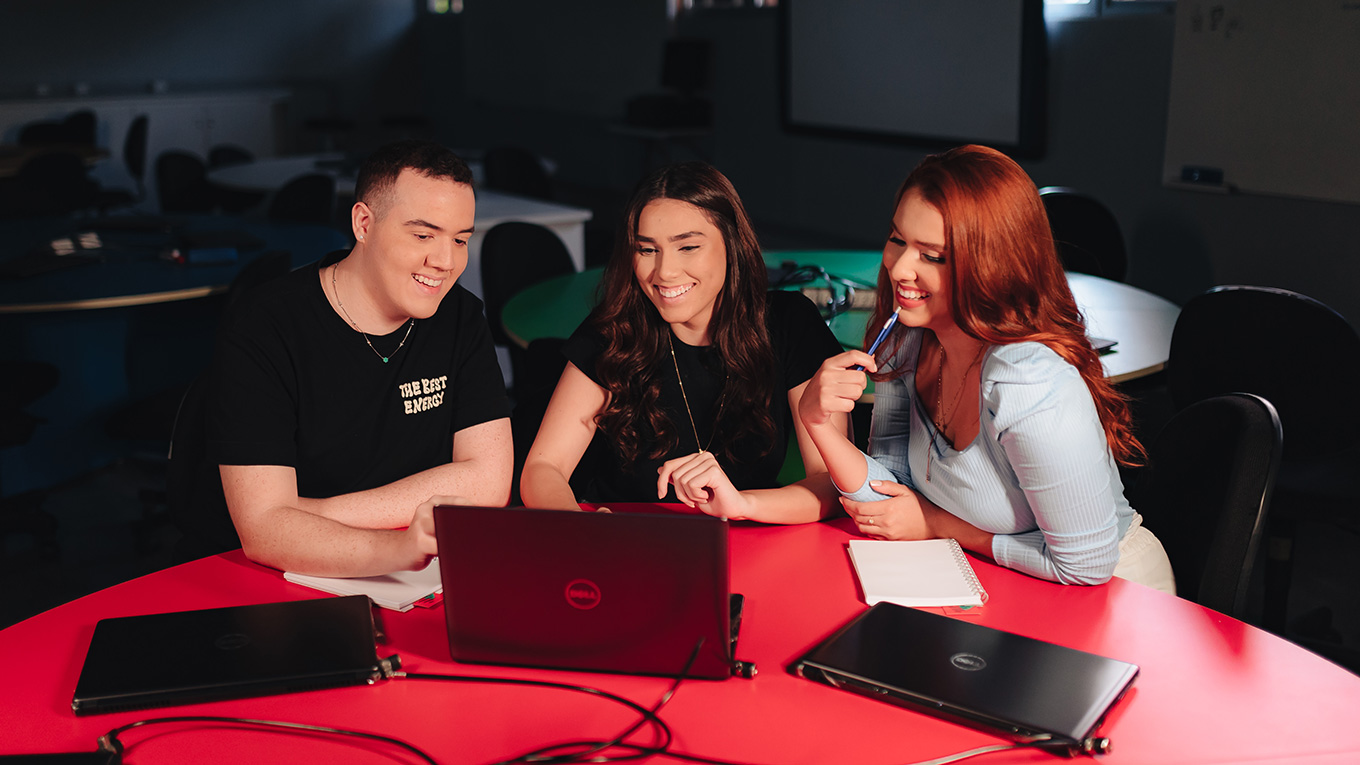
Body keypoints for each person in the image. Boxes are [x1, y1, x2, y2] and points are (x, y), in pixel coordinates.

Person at [798, 145, 1174, 590]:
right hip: (996, 578)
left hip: (1113, 591)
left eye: (932, 255)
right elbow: (891, 495)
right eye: (897, 239)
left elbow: (1084, 566)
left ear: (991, 265)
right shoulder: (907, 337)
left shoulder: (1027, 379)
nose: (899, 268)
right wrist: (817, 421)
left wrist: (938, 524)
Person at [204, 140, 513, 578]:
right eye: (423, 235)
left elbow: (488, 482)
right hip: (282, 576)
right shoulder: (265, 325)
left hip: (417, 565)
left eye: (460, 239)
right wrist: (395, 548)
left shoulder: (459, 315)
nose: (445, 261)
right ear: (364, 223)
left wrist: (312, 513)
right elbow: (263, 532)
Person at [520, 162, 846, 522]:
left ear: (732, 244)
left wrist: (742, 505)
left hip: (748, 536)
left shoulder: (790, 322)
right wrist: (582, 530)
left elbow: (833, 483)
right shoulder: (613, 330)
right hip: (630, 537)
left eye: (688, 247)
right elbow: (543, 467)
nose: (665, 272)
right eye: (647, 250)